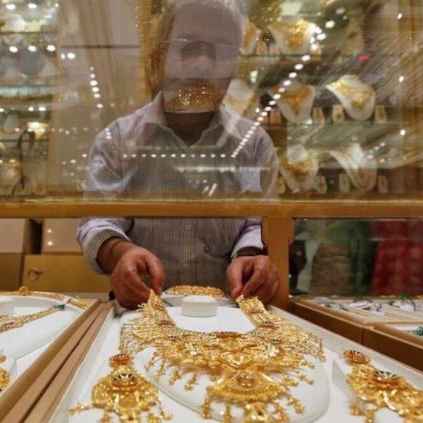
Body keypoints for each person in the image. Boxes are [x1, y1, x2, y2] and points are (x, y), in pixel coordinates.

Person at [77, 0, 279, 309]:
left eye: (220, 51)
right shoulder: (117, 139)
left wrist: (250, 257)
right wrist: (121, 254)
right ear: (158, 60)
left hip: (228, 316)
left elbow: (258, 224)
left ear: (234, 65)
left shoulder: (254, 144)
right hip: (139, 313)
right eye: (187, 46)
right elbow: (97, 222)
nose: (202, 64)